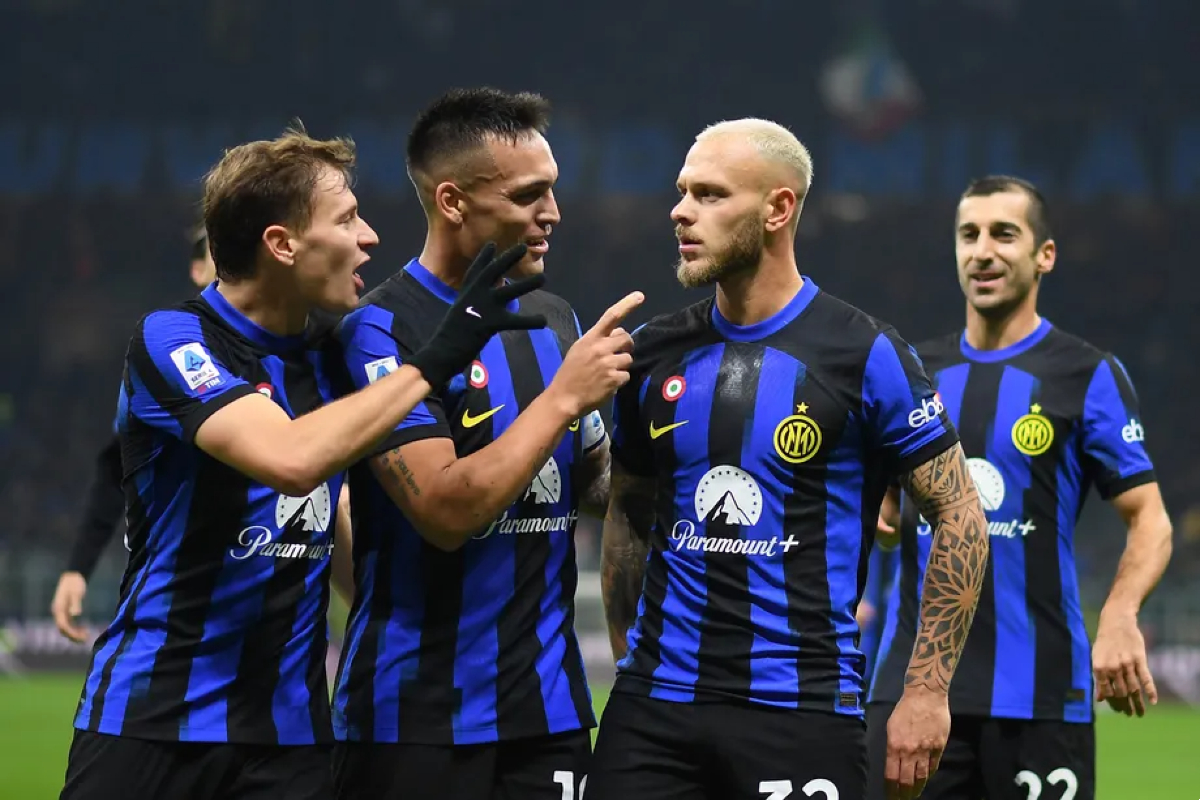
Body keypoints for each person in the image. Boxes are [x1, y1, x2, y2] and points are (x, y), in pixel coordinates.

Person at [61, 126, 547, 800]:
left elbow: (332, 513)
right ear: (282, 244)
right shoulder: (174, 340)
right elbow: (290, 459)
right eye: (346, 219)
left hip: (289, 740)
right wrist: (433, 360)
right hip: (153, 719)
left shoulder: (337, 354)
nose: (369, 237)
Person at [592, 117, 991, 800]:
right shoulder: (652, 352)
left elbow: (959, 513)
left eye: (711, 195)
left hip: (801, 709)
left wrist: (926, 691)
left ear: (778, 209)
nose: (681, 211)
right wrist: (632, 656)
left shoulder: (864, 353)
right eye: (683, 192)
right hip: (652, 713)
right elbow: (628, 510)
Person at [328, 87, 641, 800]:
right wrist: (564, 398)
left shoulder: (554, 318)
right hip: (412, 720)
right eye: (528, 195)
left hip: (549, 716)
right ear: (453, 201)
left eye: (552, 190)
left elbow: (594, 482)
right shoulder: (379, 330)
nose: (552, 213)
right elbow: (444, 511)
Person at [865, 176, 1174, 800]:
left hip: (1042, 694)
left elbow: (1151, 519)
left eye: (1004, 234)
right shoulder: (912, 374)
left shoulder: (1087, 375)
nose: (983, 251)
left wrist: (1120, 614)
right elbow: (881, 512)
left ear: (1044, 255)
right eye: (969, 235)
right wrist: (881, 515)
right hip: (911, 690)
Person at [50, 226, 219, 642]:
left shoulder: (300, 350)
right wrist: (78, 567)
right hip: (179, 605)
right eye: (220, 248)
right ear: (197, 269)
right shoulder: (166, 350)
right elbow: (116, 467)